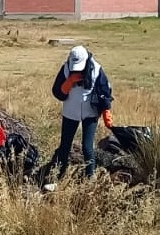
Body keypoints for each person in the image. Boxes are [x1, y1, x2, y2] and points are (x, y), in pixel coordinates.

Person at [45, 45, 113, 182]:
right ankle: (59, 175)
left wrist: (106, 111)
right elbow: (57, 92)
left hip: (90, 113)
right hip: (70, 111)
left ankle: (90, 179)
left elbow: (105, 91)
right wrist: (69, 82)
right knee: (65, 144)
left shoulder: (96, 70)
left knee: (87, 147)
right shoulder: (65, 69)